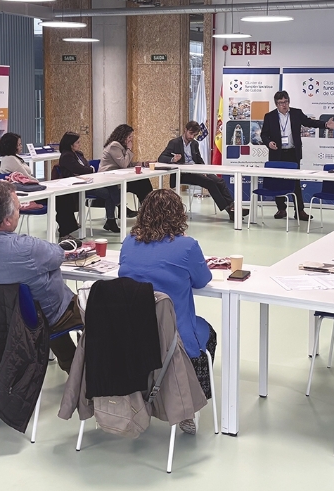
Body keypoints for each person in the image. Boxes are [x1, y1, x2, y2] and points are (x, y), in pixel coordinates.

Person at [0, 182, 81, 372]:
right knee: (93, 310)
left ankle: (72, 365)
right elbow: (58, 255)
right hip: (40, 320)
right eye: (18, 208)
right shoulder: (28, 249)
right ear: (6, 220)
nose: (20, 211)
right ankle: (83, 371)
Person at [118, 188, 216, 435]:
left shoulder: (129, 243)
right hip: (175, 338)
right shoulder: (187, 246)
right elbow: (203, 279)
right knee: (208, 334)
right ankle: (189, 403)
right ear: (178, 215)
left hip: (132, 335)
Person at [259, 90, 334, 221]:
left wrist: (325, 124)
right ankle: (281, 209)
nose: (284, 105)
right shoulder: (270, 116)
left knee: (296, 182)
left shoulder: (296, 113)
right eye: (281, 103)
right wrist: (269, 143)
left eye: (286, 101)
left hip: (292, 153)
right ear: (276, 104)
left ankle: (300, 211)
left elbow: (309, 122)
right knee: (277, 181)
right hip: (277, 153)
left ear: (289, 101)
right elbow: (264, 134)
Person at [158, 120, 248, 222]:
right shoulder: (174, 143)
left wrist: (204, 170)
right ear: (185, 130)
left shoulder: (194, 144)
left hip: (196, 171)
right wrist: (173, 160)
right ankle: (230, 211)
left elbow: (199, 160)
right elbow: (161, 158)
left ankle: (232, 207)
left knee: (219, 181)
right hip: (182, 174)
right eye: (191, 133)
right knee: (210, 183)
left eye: (195, 135)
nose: (192, 137)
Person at [55, 131, 120, 236]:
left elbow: (86, 167)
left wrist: (89, 169)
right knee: (108, 194)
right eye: (77, 142)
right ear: (70, 144)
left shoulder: (78, 154)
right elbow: (80, 169)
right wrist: (89, 169)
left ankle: (114, 215)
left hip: (89, 181)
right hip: (78, 186)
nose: (79, 145)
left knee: (112, 187)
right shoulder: (66, 156)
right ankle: (114, 214)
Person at [98, 124, 151, 220]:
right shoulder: (114, 145)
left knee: (143, 182)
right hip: (108, 178)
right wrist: (129, 149)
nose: (131, 139)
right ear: (123, 136)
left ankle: (148, 208)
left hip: (119, 177)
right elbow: (124, 164)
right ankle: (145, 210)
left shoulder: (121, 146)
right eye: (129, 137)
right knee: (141, 184)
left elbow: (129, 164)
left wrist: (143, 163)